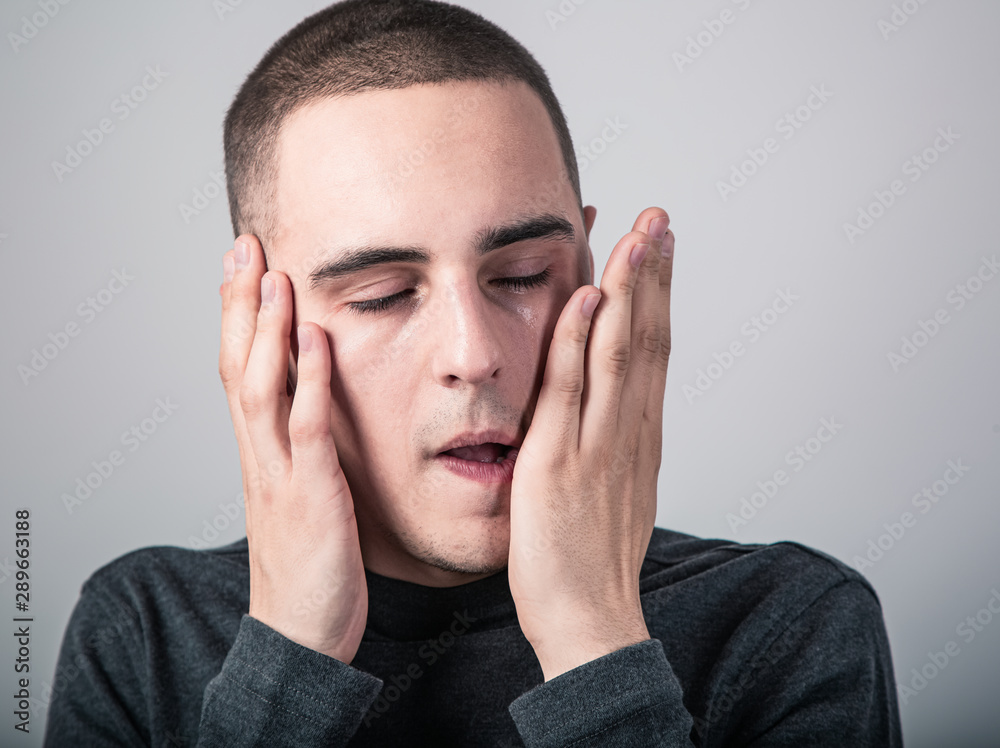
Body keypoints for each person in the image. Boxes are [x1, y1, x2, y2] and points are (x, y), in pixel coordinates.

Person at [44, 1, 903, 745]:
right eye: (383, 294)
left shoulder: (788, 622)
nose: (472, 354)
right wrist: (287, 664)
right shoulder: (143, 633)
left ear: (591, 267)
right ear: (262, 327)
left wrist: (591, 641)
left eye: (522, 275)